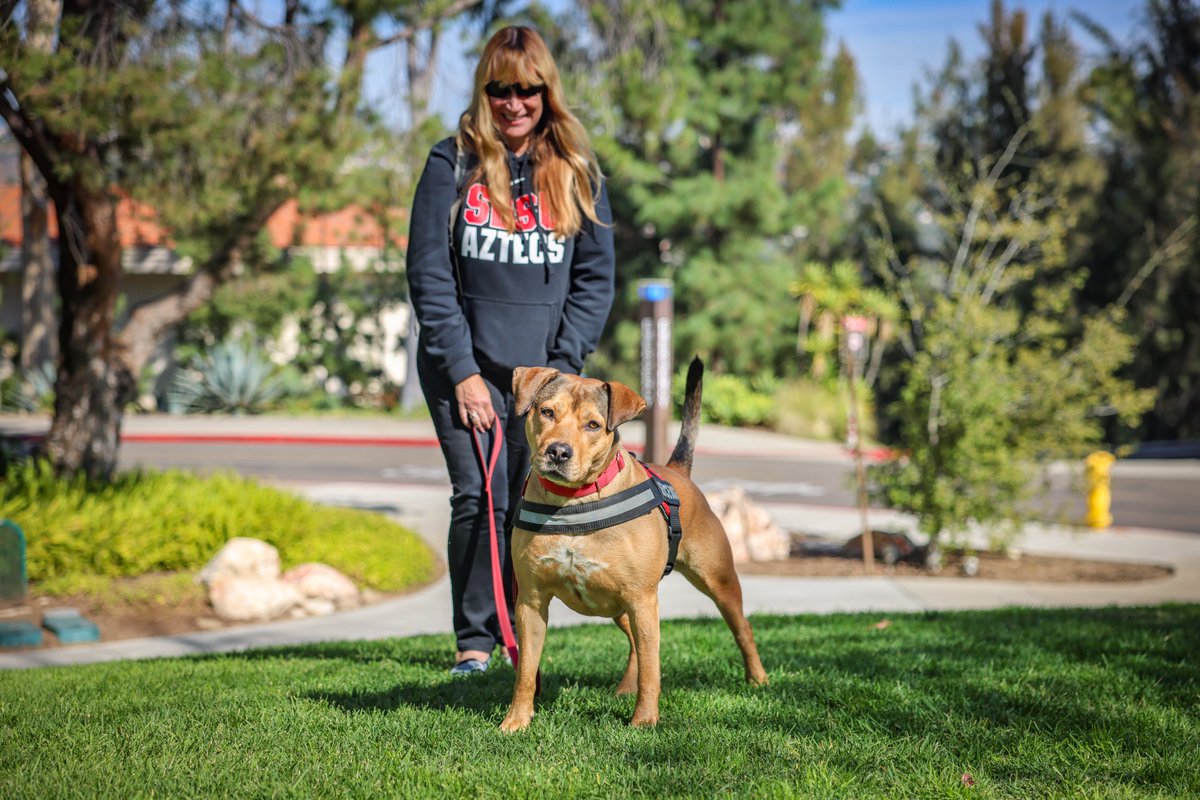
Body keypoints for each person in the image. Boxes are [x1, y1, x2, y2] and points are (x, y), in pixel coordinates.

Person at [405, 26, 616, 675]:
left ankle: (520, 633)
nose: (514, 103)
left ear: (546, 92)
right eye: (502, 89)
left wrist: (561, 373)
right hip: (462, 368)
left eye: (528, 90)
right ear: (486, 90)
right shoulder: (452, 163)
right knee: (478, 496)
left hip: (545, 382)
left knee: (528, 501)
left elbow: (594, 279)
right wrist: (463, 372)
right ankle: (475, 642)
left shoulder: (577, 171)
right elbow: (428, 273)